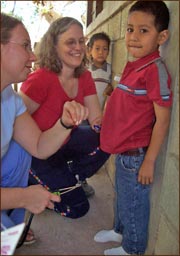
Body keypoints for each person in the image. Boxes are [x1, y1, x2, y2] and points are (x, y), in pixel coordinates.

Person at [1, 13, 89, 244]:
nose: (32, 55)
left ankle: (10, 228)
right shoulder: (40, 80)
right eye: (25, 46)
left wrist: (64, 123)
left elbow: (39, 146)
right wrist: (22, 197)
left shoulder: (10, 98)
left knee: (21, 151)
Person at [94, 1, 172, 255]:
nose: (133, 37)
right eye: (129, 30)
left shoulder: (154, 70)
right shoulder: (133, 64)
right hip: (123, 150)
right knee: (123, 196)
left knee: (134, 201)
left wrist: (149, 160)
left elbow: (163, 119)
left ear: (162, 36)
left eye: (143, 31)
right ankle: (119, 230)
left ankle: (133, 248)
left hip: (137, 156)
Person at [19, 17, 110, 198]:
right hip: (38, 153)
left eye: (81, 41)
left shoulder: (84, 76)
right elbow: (12, 120)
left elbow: (96, 119)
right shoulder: (40, 79)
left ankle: (71, 177)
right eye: (70, 42)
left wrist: (107, 129)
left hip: (65, 142)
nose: (78, 47)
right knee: (77, 208)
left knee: (108, 138)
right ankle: (33, 182)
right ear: (53, 46)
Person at [88, 32, 113, 110]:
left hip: (103, 111)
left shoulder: (111, 70)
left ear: (108, 52)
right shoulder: (86, 70)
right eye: (97, 48)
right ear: (90, 51)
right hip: (87, 112)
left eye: (105, 49)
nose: (101, 52)